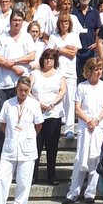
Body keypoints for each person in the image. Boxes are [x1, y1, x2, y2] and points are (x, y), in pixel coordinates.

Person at [0, 74, 44, 204]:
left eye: (26, 90)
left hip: (27, 149)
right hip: (10, 148)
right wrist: (13, 136)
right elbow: (2, 125)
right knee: (2, 181)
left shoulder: (34, 105)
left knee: (24, 183)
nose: (23, 93)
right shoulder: (8, 104)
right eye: (20, 90)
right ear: (16, 89)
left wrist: (27, 137)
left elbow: (38, 126)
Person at [67, 58, 103, 202]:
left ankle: (90, 193)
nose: (98, 72)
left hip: (99, 126)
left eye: (100, 69)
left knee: (96, 158)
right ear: (89, 71)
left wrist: (96, 120)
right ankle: (73, 193)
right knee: (80, 158)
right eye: (95, 69)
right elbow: (77, 108)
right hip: (85, 127)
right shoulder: (81, 86)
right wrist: (88, 120)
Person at [31, 49, 66, 185]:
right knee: (36, 146)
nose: (48, 60)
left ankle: (52, 175)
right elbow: (27, 89)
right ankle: (33, 175)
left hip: (53, 114)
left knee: (52, 147)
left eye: (51, 58)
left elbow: (63, 91)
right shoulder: (34, 74)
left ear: (55, 61)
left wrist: (52, 103)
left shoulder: (59, 75)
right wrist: (39, 103)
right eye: (46, 58)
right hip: (37, 114)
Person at [46, 14, 79, 137]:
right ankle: (57, 125)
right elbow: (50, 53)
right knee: (57, 99)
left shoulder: (74, 36)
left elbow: (73, 53)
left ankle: (69, 128)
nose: (64, 24)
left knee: (70, 100)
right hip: (57, 72)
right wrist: (63, 49)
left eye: (66, 22)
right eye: (62, 22)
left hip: (70, 73)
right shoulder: (53, 37)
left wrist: (58, 50)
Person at [72, 0, 101, 78]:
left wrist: (96, 43)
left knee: (89, 73)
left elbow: (98, 29)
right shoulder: (73, 11)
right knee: (77, 74)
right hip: (77, 50)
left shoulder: (95, 12)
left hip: (90, 49)